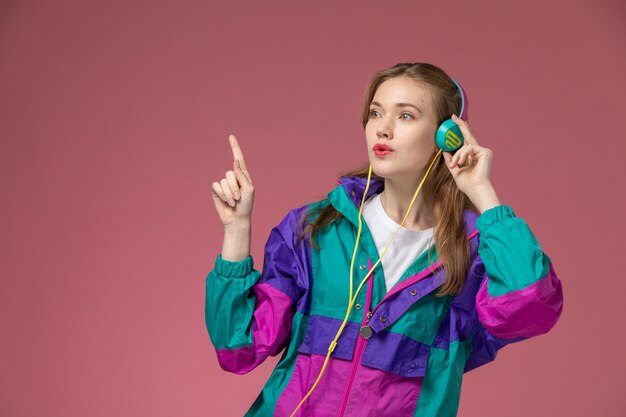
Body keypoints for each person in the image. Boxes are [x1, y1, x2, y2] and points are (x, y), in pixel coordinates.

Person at [205, 62, 564, 417]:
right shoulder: (315, 229)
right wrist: (236, 229)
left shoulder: (472, 255)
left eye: (405, 116)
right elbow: (239, 348)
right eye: (376, 113)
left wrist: (482, 193)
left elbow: (530, 308)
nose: (383, 130)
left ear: (447, 135)